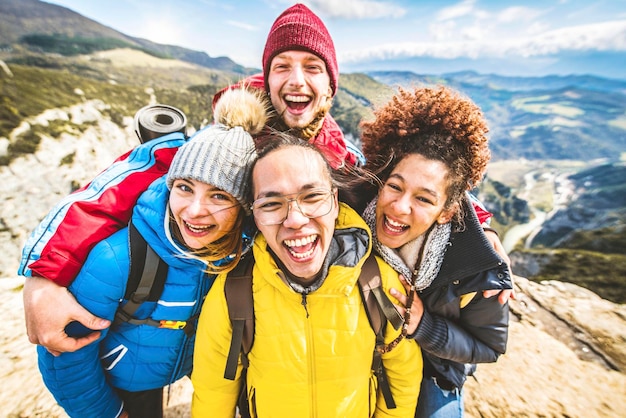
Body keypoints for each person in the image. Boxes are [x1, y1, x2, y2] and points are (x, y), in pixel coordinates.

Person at [19, 2, 497, 355]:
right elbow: (113, 190)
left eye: (312, 67)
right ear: (265, 78)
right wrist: (42, 279)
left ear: (332, 85)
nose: (296, 80)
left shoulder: (340, 157)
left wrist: (484, 226)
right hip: (220, 309)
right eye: (281, 66)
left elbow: (417, 186)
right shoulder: (228, 141)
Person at [36, 88, 264, 418]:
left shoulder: (239, 253)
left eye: (218, 196)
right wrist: (108, 413)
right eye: (185, 187)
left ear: (241, 208)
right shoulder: (119, 259)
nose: (195, 210)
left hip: (173, 371)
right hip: (123, 385)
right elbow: (65, 356)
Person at [191, 134, 422, 416]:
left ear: (335, 203)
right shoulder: (235, 292)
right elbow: (213, 392)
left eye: (312, 196)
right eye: (272, 204)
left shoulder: (378, 283)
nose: (295, 220)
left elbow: (403, 377)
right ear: (256, 217)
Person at [358, 86, 512, 417]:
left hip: (435, 371)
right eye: (395, 186)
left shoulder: (476, 266)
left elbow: (488, 347)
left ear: (447, 211)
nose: (399, 207)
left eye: (424, 199)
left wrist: (425, 325)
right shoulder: (356, 212)